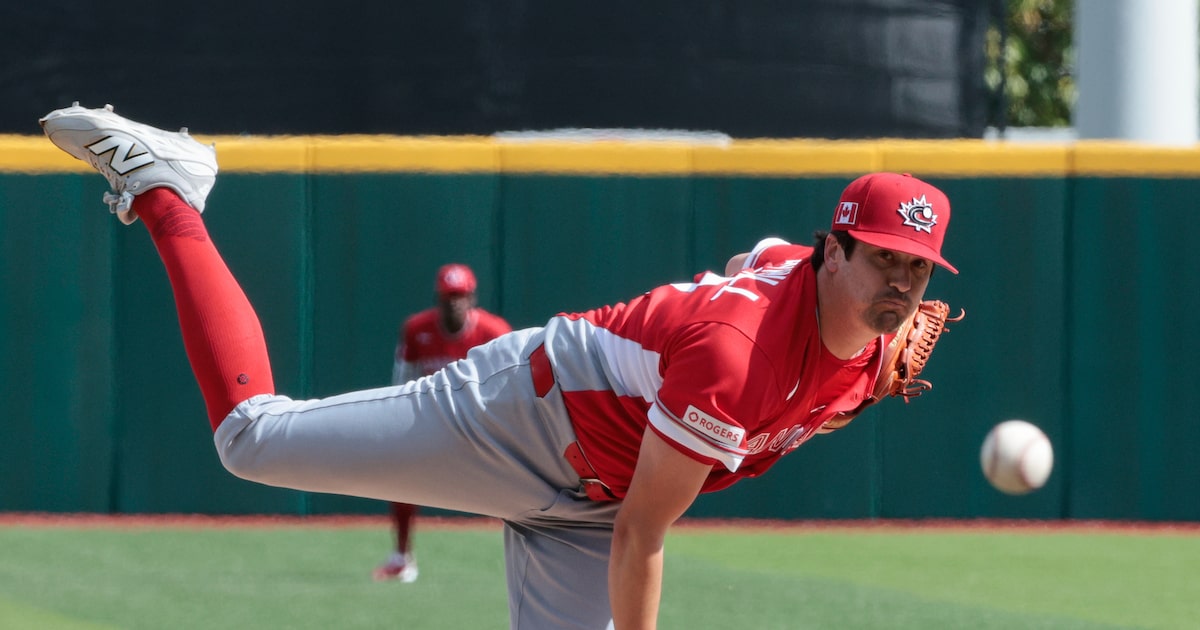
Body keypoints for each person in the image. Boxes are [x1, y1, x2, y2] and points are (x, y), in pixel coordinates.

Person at [40, 103, 958, 630]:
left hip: (591, 501)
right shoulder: (736, 355)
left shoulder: (866, 337)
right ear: (830, 250)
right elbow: (645, 532)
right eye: (882, 257)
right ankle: (169, 187)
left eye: (916, 268)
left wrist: (860, 351)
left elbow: (757, 255)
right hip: (520, 419)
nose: (901, 284)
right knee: (251, 441)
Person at [375, 263, 512, 582]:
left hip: (481, 421)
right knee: (401, 475)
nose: (455, 302)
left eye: (460, 295)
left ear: (472, 297)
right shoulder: (416, 329)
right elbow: (403, 381)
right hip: (432, 418)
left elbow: (511, 384)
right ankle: (401, 557)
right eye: (449, 296)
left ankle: (525, 554)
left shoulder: (494, 332)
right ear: (439, 297)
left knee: (519, 479)